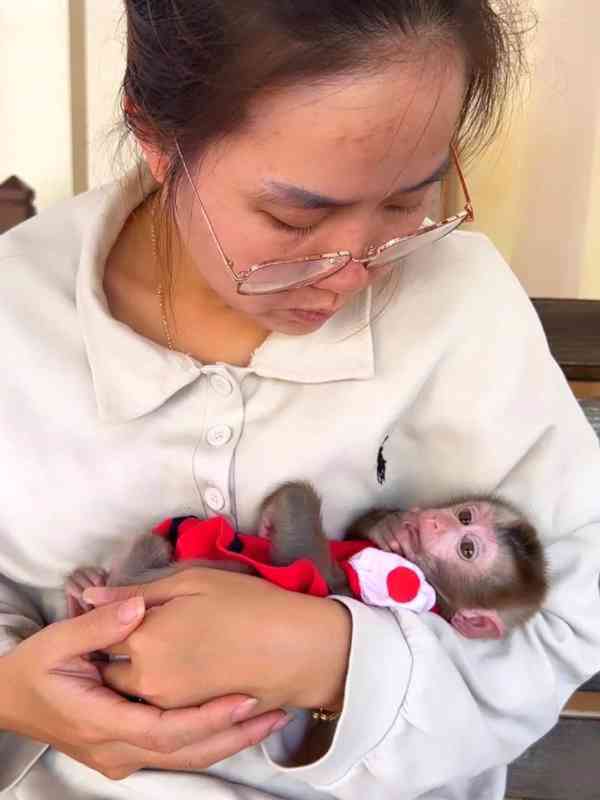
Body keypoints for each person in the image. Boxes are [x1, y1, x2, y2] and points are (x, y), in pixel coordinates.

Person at [0, 2, 599, 798]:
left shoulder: (463, 305)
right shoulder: (15, 309)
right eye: (293, 217)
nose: (352, 272)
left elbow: (571, 613)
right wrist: (15, 693)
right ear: (154, 136)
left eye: (405, 203)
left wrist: (326, 656)